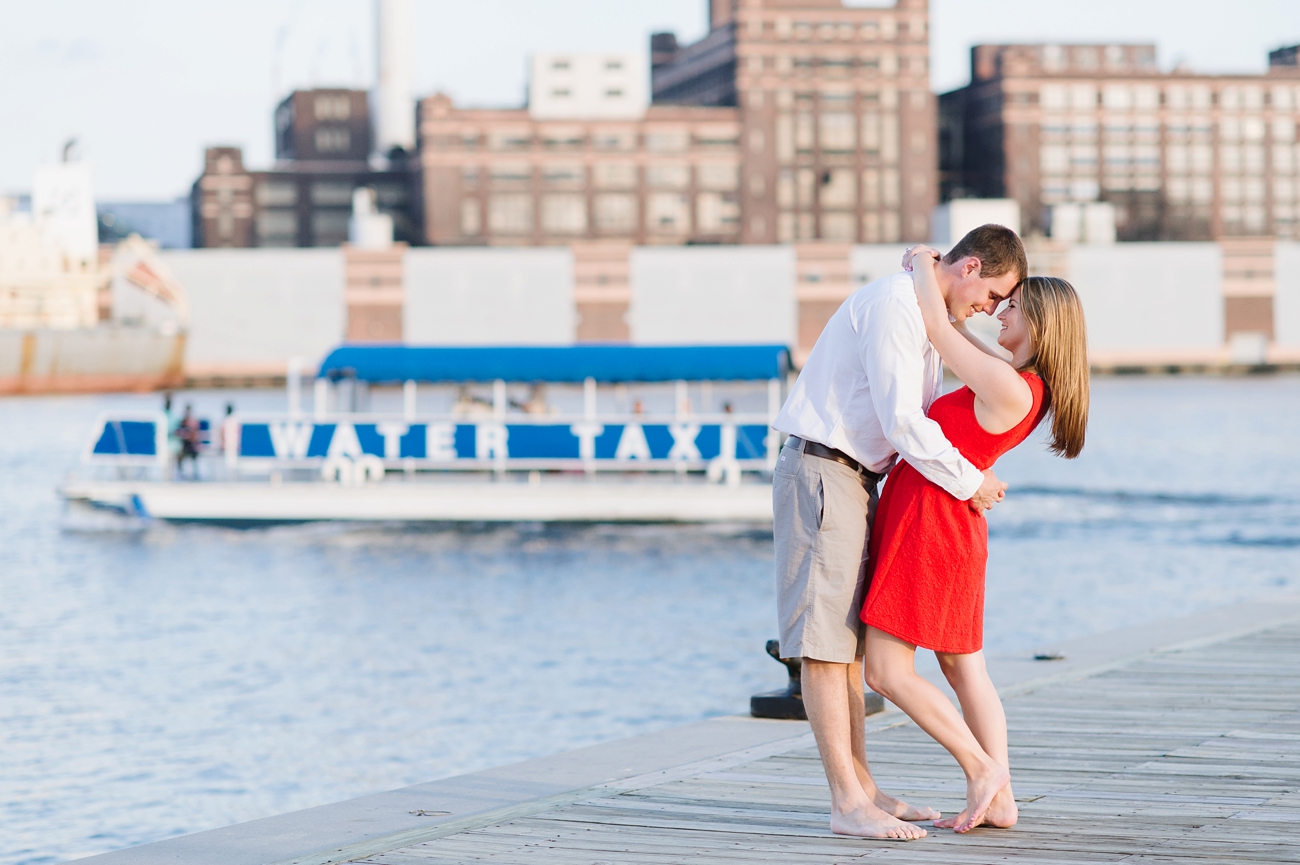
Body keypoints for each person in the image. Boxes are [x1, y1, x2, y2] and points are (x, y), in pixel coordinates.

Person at [771, 224, 1027, 840]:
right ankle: (846, 803)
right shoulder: (894, 306)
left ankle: (865, 789)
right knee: (825, 645)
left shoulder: (922, 309)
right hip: (825, 469)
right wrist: (972, 481)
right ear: (969, 268)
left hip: (859, 480)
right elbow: (902, 421)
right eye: (994, 296)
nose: (991, 312)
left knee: (849, 646)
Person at [861, 246, 1089, 834]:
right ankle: (1002, 798)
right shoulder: (1018, 383)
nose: (998, 315)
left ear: (1040, 322)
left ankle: (984, 770)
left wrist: (917, 264)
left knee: (886, 672)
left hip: (930, 523)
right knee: (965, 670)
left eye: (1011, 308)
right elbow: (957, 326)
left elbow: (938, 327)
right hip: (946, 523)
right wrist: (953, 297)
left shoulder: (1013, 388)